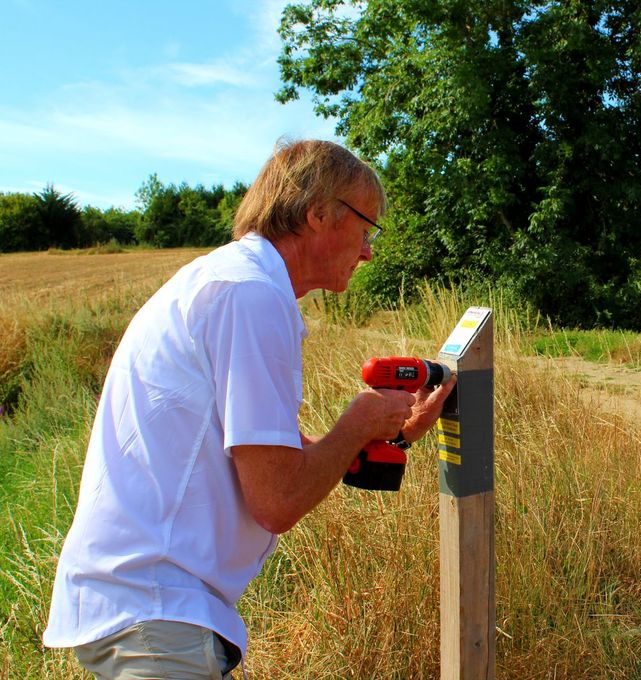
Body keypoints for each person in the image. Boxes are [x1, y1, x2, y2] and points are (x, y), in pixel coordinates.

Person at [43, 139, 456, 679]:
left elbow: (268, 460)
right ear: (318, 214)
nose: (367, 251)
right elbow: (277, 499)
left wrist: (385, 432)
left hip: (148, 611)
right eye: (366, 228)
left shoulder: (234, 283)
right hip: (157, 614)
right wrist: (358, 421)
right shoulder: (250, 295)